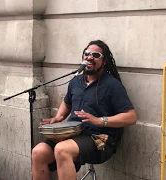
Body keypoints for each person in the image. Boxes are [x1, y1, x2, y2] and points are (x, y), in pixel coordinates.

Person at [32, 40, 137, 180]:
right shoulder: (76, 81)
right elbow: (67, 102)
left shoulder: (112, 85)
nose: (89, 57)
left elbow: (131, 117)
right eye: (87, 53)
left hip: (99, 138)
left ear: (104, 61)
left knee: (62, 150)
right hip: (73, 134)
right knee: (38, 152)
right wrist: (59, 117)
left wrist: (100, 121)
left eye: (96, 54)